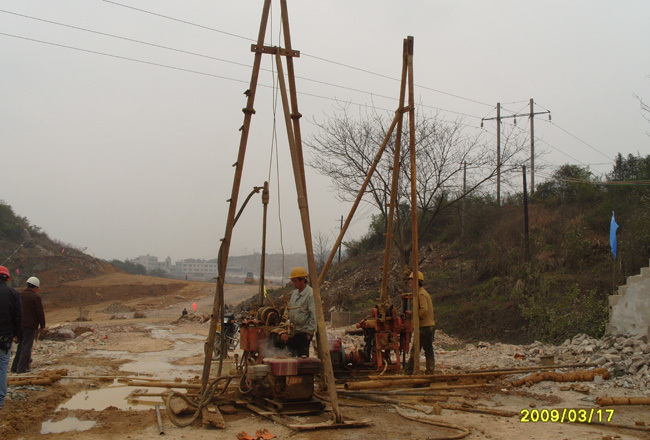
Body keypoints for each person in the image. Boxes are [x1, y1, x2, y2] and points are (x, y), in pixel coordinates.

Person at [11, 276, 45, 374]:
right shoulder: (36, 297)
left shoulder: (19, 294)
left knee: (21, 346)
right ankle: (22, 368)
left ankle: (14, 368)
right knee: (26, 346)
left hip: (18, 326)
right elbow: (39, 312)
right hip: (29, 326)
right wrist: (42, 325)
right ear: (36, 287)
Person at [405, 270, 436, 375]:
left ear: (417, 282)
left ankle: (408, 372)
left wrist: (413, 314)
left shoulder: (421, 294)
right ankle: (430, 370)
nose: (410, 285)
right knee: (428, 349)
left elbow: (424, 310)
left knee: (415, 350)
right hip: (429, 325)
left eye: (411, 282)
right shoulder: (421, 292)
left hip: (425, 326)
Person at [0, 266, 22, 409]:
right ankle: (0, 400)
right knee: (2, 368)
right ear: (7, 278)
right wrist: (14, 334)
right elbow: (18, 317)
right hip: (5, 338)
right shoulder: (13, 293)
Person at [286, 267, 317, 357]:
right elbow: (289, 309)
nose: (294, 284)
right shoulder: (294, 294)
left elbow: (313, 314)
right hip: (293, 331)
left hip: (304, 332)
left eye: (295, 281)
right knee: (289, 354)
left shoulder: (310, 294)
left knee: (302, 357)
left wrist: (310, 331)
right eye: (293, 281)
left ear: (303, 280)